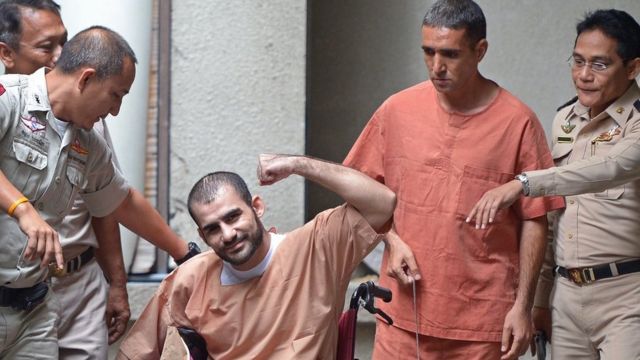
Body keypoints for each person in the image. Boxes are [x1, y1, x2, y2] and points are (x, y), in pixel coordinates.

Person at [343, 0, 565, 359]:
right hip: (400, 313)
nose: (436, 67)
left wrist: (523, 307)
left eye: (450, 54)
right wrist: (391, 239)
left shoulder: (518, 122)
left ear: (480, 51)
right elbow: (359, 191)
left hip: (480, 323)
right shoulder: (396, 111)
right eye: (428, 52)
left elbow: (535, 219)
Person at [0, 26, 197, 359]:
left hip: (34, 308)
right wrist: (22, 209)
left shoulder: (88, 144)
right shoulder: (9, 98)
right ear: (86, 78)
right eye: (116, 94)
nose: (116, 110)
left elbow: (121, 201)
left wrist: (186, 254)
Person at [467, 9, 640, 359]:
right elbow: (553, 215)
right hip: (566, 298)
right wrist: (540, 301)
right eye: (577, 61)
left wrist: (524, 183)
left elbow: (612, 166)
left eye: (600, 65)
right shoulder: (566, 118)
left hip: (627, 296)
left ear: (633, 68)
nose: (584, 75)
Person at [117, 154, 396, 359]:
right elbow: (135, 353)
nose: (227, 234)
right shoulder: (190, 279)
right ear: (202, 237)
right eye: (213, 228)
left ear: (257, 207)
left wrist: (297, 165)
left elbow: (383, 203)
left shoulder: (317, 247)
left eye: (233, 216)